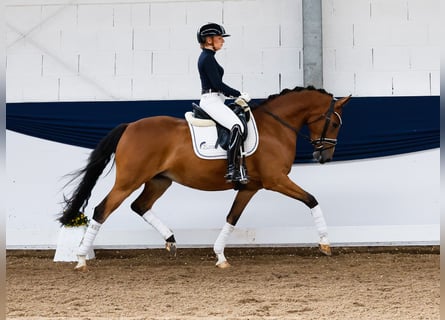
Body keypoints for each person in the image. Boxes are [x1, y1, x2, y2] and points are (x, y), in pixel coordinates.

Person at [196, 22, 251, 183]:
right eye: (220, 38)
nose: (223, 41)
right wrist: (238, 94)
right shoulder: (207, 59)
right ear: (208, 40)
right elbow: (217, 84)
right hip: (211, 100)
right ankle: (232, 169)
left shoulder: (209, 57)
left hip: (216, 99)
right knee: (237, 126)